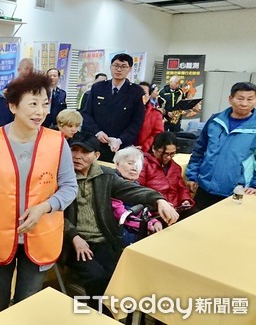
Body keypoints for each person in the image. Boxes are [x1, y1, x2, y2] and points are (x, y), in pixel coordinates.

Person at [0, 72, 78, 315]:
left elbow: (70, 187)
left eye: (44, 104)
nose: (40, 111)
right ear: (13, 106)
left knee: (27, 306)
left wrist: (44, 207)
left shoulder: (58, 143)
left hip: (42, 236)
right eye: (32, 104)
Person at [63, 131, 178, 312]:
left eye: (84, 152)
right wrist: (73, 236)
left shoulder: (106, 176)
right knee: (97, 277)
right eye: (73, 150)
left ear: (96, 155)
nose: (77, 156)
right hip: (74, 242)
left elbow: (132, 190)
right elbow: (54, 215)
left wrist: (159, 200)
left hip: (104, 240)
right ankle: (103, 317)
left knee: (123, 272)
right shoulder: (61, 177)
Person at [186, 82, 256, 211]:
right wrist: (192, 175)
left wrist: (254, 185)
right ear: (230, 99)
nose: (244, 103)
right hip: (205, 187)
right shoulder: (215, 120)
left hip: (237, 191)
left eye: (250, 99)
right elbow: (199, 150)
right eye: (240, 98)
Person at [81, 53, 145, 162]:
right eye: (116, 65)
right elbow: (87, 114)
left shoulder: (136, 91)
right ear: (111, 67)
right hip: (96, 143)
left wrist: (121, 140)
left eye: (123, 66)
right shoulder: (98, 87)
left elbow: (137, 122)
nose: (119, 69)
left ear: (129, 69)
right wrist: (98, 132)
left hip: (121, 146)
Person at [111, 147, 163, 246]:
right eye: (130, 163)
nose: (134, 168)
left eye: (138, 165)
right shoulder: (113, 183)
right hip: (120, 228)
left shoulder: (137, 185)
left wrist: (154, 222)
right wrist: (146, 225)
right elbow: (119, 213)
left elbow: (143, 210)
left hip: (137, 226)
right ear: (117, 164)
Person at [139, 132, 194, 217]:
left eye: (172, 154)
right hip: (155, 211)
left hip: (176, 209)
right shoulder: (143, 164)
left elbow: (181, 188)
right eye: (165, 153)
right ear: (154, 148)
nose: (168, 157)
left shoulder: (175, 167)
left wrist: (185, 200)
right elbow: (138, 189)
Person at [136, 82, 164, 152]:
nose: (140, 95)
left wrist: (144, 147)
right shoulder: (125, 111)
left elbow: (158, 134)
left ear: (149, 96)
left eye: (144, 93)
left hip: (145, 152)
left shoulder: (155, 114)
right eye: (138, 92)